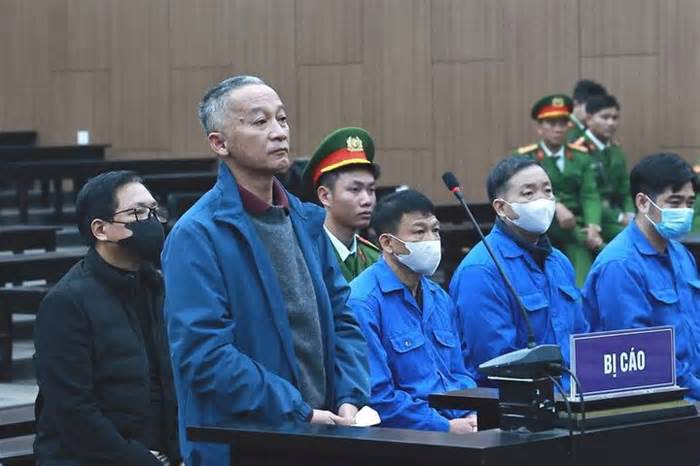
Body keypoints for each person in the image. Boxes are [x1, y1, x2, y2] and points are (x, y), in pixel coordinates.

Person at [161, 75, 370, 466]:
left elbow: (344, 319)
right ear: (219, 143)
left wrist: (349, 396)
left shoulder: (307, 221)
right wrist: (297, 409)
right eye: (260, 121)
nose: (279, 132)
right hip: (245, 444)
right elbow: (204, 354)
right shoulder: (198, 234)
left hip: (322, 433)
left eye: (282, 119)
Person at [34, 171, 181, 465]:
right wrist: (138, 459)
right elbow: (73, 411)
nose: (152, 221)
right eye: (138, 213)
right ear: (100, 229)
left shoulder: (157, 287)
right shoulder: (66, 303)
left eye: (154, 211)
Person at [449, 157, 589, 387]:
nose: (542, 200)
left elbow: (581, 339)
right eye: (528, 193)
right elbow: (497, 364)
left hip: (576, 395)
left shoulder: (559, 262)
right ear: (501, 207)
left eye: (547, 191)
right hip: (521, 401)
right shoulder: (481, 271)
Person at [348, 189, 478, 432]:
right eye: (419, 232)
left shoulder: (439, 297)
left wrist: (472, 412)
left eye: (435, 230)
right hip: (409, 437)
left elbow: (459, 373)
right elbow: (379, 397)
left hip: (463, 425)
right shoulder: (363, 302)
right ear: (387, 243)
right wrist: (444, 427)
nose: (432, 240)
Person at [583, 153, 700, 398]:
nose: (685, 211)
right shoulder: (620, 265)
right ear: (643, 203)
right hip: (660, 396)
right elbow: (638, 356)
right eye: (675, 202)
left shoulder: (680, 254)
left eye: (690, 203)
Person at [515, 94, 603, 286]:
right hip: (541, 226)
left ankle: (581, 296)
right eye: (551, 123)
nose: (558, 128)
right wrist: (555, 204)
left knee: (581, 251)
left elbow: (590, 194)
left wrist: (593, 226)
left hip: (576, 225)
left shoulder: (581, 157)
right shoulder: (526, 157)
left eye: (563, 123)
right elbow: (520, 194)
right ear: (540, 127)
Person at [302, 127, 381, 282]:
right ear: (325, 196)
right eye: (355, 189)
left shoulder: (374, 258)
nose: (367, 200)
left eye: (371, 190)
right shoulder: (306, 255)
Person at [575, 93, 635, 241]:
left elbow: (625, 190)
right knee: (632, 238)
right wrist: (620, 217)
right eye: (605, 117)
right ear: (589, 119)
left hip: (614, 215)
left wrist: (630, 213)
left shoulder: (616, 150)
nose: (611, 123)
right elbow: (585, 197)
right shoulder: (577, 151)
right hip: (589, 218)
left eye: (615, 118)